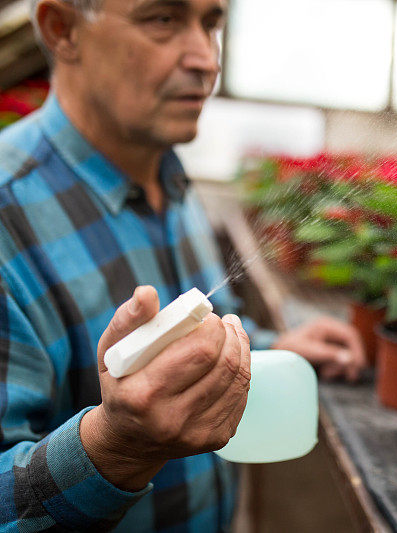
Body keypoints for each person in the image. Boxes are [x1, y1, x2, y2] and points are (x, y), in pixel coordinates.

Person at [0, 0, 366, 530]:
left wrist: (267, 350)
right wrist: (117, 449)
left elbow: (206, 324)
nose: (206, 59)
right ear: (63, 29)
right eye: (162, 19)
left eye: (211, 23)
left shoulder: (168, 173)